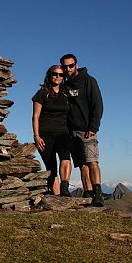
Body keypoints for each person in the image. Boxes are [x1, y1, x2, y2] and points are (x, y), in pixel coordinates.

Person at [60, 53, 104, 207]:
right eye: (65, 66)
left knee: (92, 162)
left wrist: (93, 126)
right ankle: (88, 194)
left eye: (70, 65)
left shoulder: (88, 81)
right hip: (71, 131)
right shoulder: (65, 85)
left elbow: (97, 104)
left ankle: (98, 194)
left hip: (87, 130)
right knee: (82, 165)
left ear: (76, 65)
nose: (68, 69)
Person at [32, 65, 72, 196]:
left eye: (61, 75)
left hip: (64, 132)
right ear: (49, 75)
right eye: (55, 74)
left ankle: (65, 188)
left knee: (65, 157)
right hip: (45, 134)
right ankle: (57, 198)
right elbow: (35, 116)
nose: (58, 77)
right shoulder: (42, 93)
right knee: (51, 167)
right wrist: (36, 136)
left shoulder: (67, 92)